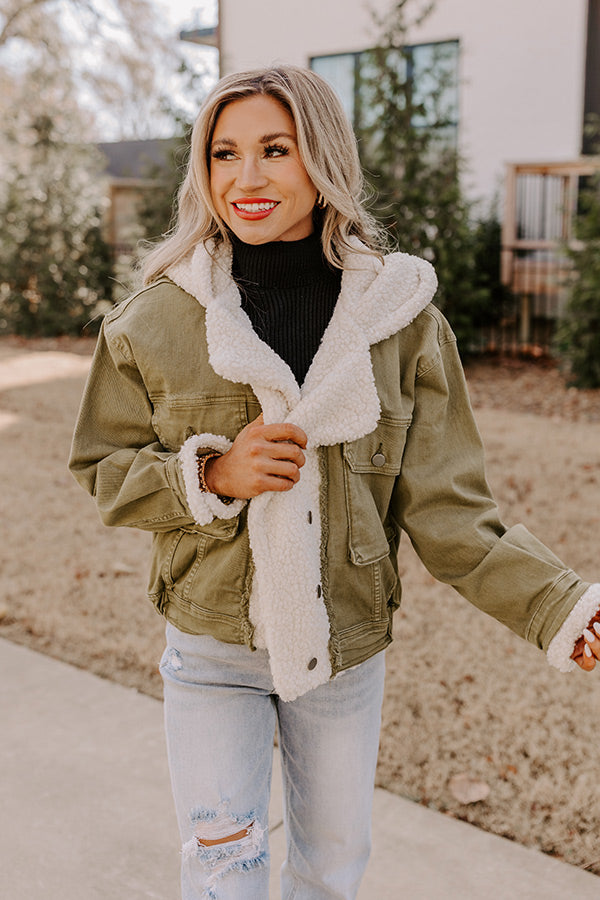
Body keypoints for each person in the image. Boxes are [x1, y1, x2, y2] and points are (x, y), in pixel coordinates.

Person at [69, 65, 600, 900]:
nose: (246, 177)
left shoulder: (401, 323)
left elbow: (452, 513)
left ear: (322, 160)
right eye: (223, 153)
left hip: (345, 651)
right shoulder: (155, 320)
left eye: (275, 150)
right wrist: (212, 473)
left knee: (331, 868)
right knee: (222, 873)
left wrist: (560, 605)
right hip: (210, 650)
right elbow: (102, 467)